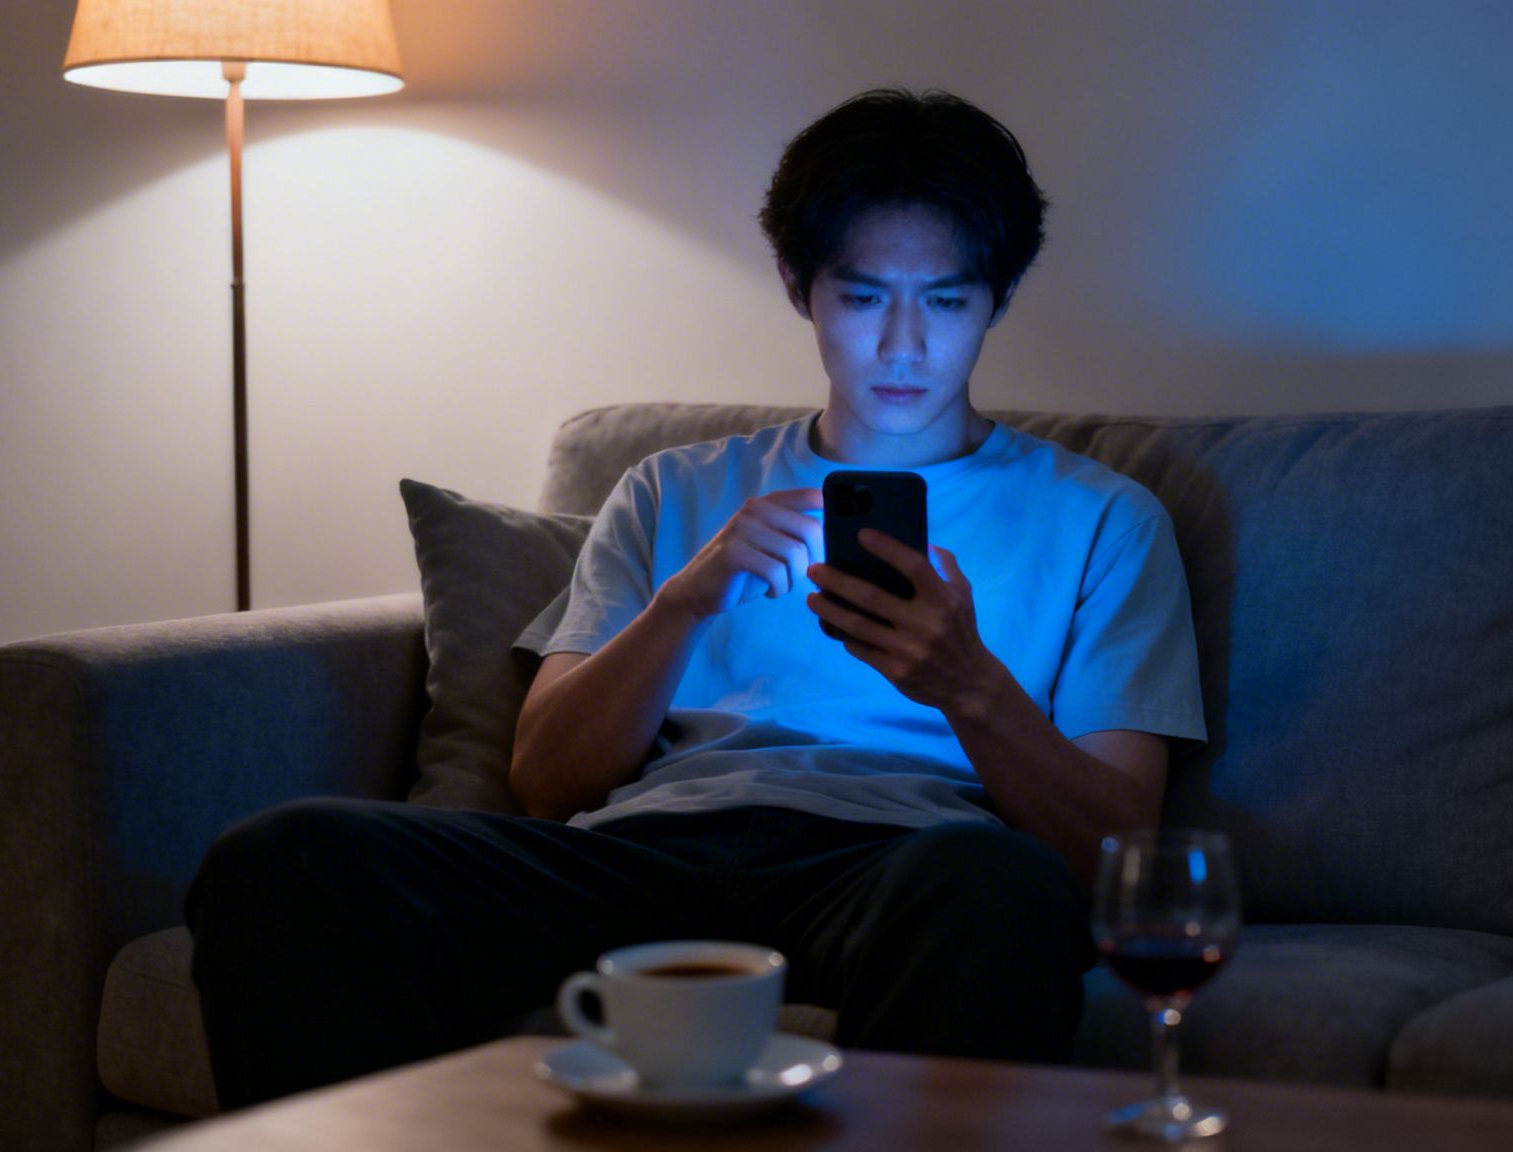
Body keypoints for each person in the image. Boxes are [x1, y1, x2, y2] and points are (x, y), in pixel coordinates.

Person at [188, 87, 1205, 1110]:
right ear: (799, 288)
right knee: (285, 859)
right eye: (862, 299)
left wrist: (967, 685)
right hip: (646, 856)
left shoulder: (1104, 521)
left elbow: (1112, 854)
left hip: (905, 867)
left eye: (945, 302)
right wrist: (682, 605)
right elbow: (548, 784)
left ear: (997, 298)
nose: (903, 346)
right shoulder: (669, 490)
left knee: (1001, 890)